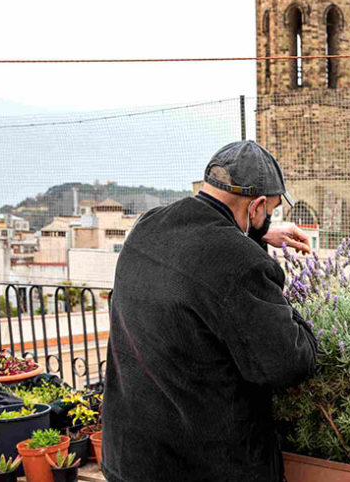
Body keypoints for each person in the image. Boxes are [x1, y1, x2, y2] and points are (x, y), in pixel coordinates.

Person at [102, 141, 318, 482]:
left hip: (130, 459)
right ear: (257, 205)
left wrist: (258, 233)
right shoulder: (241, 263)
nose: (269, 219)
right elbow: (288, 362)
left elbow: (198, 258)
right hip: (201, 467)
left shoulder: (148, 226)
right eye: (270, 211)